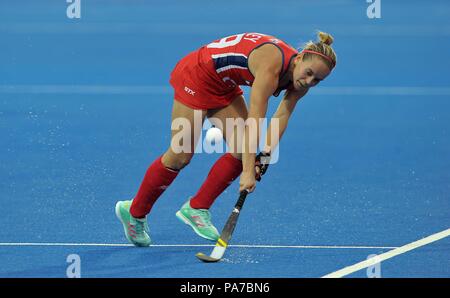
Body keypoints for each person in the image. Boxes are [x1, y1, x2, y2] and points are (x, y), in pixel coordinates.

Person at [115, 32, 337, 246]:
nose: (309, 81)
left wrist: (266, 155)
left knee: (243, 150)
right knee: (180, 155)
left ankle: (196, 208)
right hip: (197, 75)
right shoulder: (271, 66)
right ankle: (134, 212)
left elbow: (282, 115)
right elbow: (255, 121)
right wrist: (248, 171)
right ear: (298, 59)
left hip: (224, 84)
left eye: (317, 80)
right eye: (308, 73)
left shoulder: (300, 80)